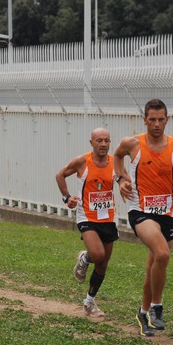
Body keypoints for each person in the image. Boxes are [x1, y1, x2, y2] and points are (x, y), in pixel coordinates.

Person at [113, 98, 173, 337]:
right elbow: (117, 157)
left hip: (167, 214)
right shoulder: (132, 144)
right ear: (144, 120)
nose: (156, 124)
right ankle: (157, 307)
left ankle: (143, 312)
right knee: (162, 254)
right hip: (140, 211)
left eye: (161, 119)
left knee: (154, 264)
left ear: (167, 119)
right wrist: (121, 179)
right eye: (151, 120)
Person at [56, 128, 127, 318]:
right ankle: (85, 258)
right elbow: (60, 175)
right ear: (91, 142)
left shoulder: (115, 162)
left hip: (107, 217)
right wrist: (67, 197)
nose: (103, 144)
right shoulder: (82, 162)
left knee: (103, 264)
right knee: (97, 254)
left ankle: (89, 301)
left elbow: (124, 179)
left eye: (107, 141)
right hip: (86, 216)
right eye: (99, 141)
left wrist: (124, 185)